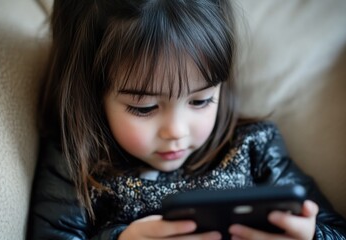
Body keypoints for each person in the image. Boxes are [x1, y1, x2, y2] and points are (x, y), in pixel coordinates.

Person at [27, 0, 346, 239]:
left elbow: (336, 231)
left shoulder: (254, 147)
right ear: (92, 94)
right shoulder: (77, 163)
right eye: (144, 107)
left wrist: (312, 235)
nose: (176, 131)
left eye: (200, 100)